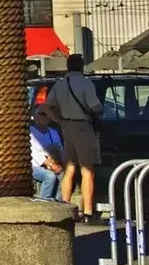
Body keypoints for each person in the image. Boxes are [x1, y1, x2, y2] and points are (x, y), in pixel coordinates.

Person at [50, 55, 104, 222]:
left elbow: (47, 106)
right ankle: (88, 212)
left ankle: (66, 207)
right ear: (82, 67)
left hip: (66, 127)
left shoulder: (60, 84)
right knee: (88, 170)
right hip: (82, 126)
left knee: (69, 169)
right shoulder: (86, 83)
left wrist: (59, 120)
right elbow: (95, 106)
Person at [28, 107, 65, 201]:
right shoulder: (30, 132)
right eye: (43, 114)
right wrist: (50, 165)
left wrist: (59, 164)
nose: (46, 117)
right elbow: (34, 153)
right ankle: (44, 202)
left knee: (63, 175)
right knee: (49, 176)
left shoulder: (53, 132)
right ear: (35, 117)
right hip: (34, 166)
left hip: (54, 162)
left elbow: (61, 150)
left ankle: (57, 202)